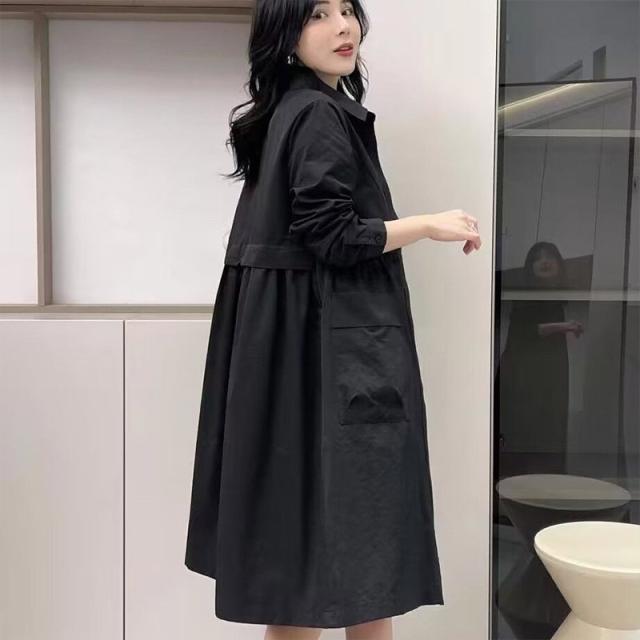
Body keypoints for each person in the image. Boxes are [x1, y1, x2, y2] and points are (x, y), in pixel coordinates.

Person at [184, 1, 482, 638]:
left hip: (290, 359)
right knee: (365, 550)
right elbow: (333, 234)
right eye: (318, 14)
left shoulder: (286, 110)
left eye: (347, 10)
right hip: (331, 356)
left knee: (299, 566)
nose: (344, 26)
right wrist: (427, 225)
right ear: (285, 35)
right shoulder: (318, 112)